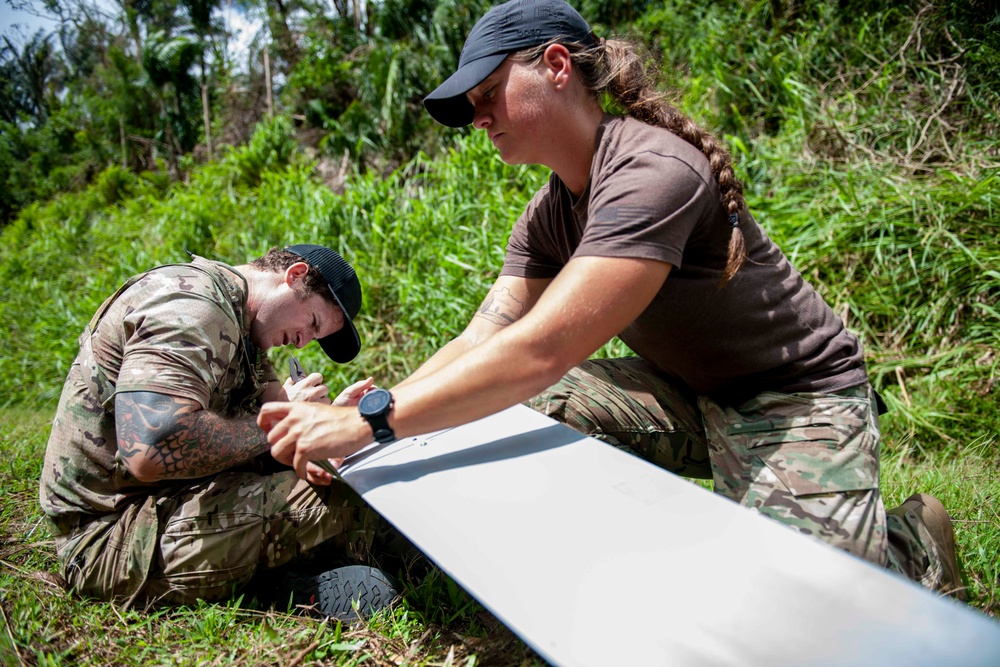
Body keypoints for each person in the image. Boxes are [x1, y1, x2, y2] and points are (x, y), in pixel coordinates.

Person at [259, 0, 964, 600]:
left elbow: (541, 349)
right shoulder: (547, 213)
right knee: (521, 405)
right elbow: (486, 337)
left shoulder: (651, 170)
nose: (477, 116)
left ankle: (914, 541)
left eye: (487, 92)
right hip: (686, 391)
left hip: (791, 394)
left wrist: (367, 429)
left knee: (809, 604)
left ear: (557, 67)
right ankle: (635, 548)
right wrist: (377, 409)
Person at [40, 244, 412, 617]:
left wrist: (331, 422)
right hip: (113, 537)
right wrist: (288, 421)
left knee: (345, 485)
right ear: (294, 276)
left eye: (313, 337)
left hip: (172, 500)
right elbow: (152, 449)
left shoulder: (246, 333)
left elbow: (276, 438)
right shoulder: (192, 304)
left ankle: (286, 572)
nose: (303, 341)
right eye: (312, 323)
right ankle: (284, 583)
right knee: (350, 505)